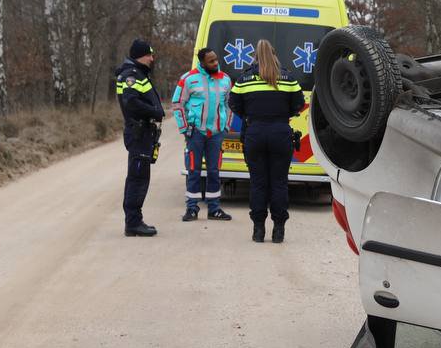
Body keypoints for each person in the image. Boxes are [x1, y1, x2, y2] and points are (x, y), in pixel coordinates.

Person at [228, 41, 304, 243]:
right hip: (280, 132)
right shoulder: (287, 77)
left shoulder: (244, 79)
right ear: (274, 54)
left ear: (255, 56)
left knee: (258, 183)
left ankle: (258, 230)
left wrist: (249, 115)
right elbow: (299, 103)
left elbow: (233, 102)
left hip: (255, 132)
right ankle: (279, 230)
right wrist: (284, 114)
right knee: (279, 183)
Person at [173, 47, 234, 222]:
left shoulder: (225, 80)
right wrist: (185, 128)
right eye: (211, 61)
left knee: (214, 171)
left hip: (216, 134)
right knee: (194, 170)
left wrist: (225, 127)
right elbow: (177, 103)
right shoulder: (188, 79)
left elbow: (230, 105)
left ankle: (214, 209)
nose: (216, 63)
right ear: (202, 63)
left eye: (216, 59)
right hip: (196, 133)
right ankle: (191, 209)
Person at [116, 38, 165, 237]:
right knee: (137, 179)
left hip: (143, 133)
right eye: (150, 55)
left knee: (140, 178)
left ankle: (135, 221)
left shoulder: (138, 74)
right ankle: (133, 223)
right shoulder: (131, 75)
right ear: (141, 56)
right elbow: (131, 103)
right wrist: (154, 111)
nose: (152, 59)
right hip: (139, 132)